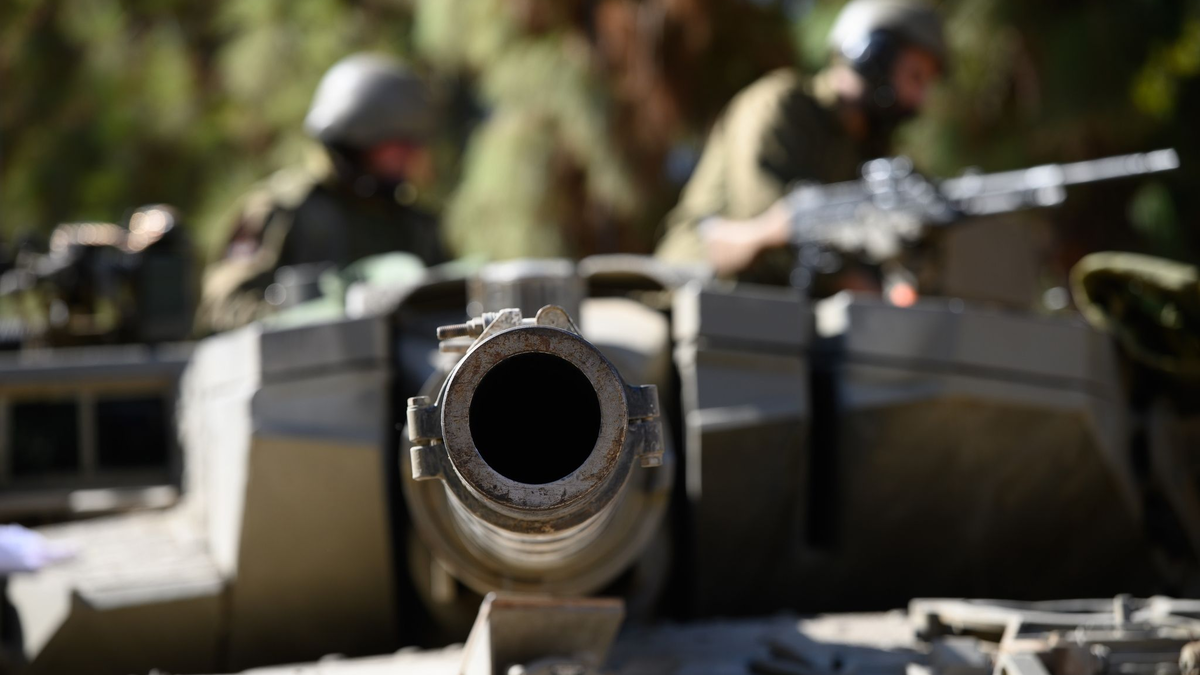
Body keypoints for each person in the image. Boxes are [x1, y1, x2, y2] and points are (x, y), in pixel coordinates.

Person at [655, 0, 945, 284]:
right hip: (696, 287)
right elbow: (772, 229)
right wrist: (852, 279)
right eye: (915, 77)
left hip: (782, 306)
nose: (920, 100)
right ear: (873, 56)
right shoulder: (781, 105)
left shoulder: (867, 151)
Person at [197, 53, 447, 332]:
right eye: (398, 143)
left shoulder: (411, 224)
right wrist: (305, 316)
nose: (411, 155)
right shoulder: (285, 210)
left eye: (413, 143)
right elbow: (224, 306)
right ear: (357, 139)